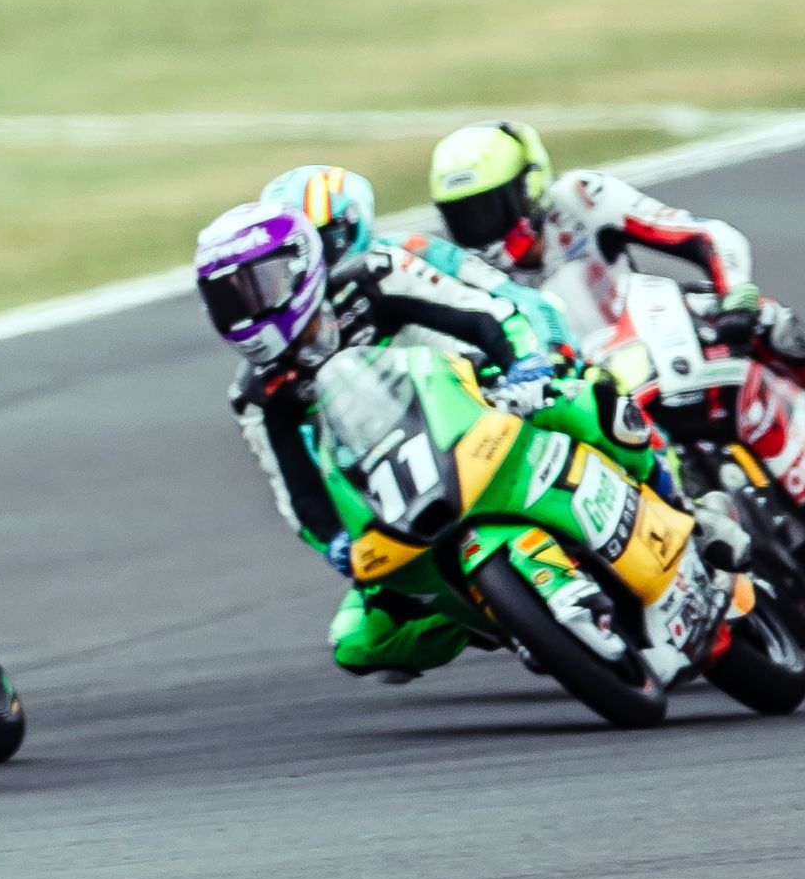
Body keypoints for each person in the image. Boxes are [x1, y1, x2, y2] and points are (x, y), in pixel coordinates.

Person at [188, 204, 623, 677]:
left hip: (483, 405)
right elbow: (296, 492)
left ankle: (668, 485)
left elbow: (485, 315)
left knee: (586, 399)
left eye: (261, 286)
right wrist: (335, 542)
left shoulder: (374, 277)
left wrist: (526, 364)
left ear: (302, 266)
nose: (250, 308)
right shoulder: (256, 395)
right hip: (398, 492)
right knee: (357, 643)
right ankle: (497, 614)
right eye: (230, 299)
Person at [424, 119, 805, 444]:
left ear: (528, 187)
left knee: (771, 319)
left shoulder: (581, 197)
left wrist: (735, 296)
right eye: (463, 218)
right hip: (576, 390)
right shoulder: (466, 275)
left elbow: (706, 235)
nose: (479, 229)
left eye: (488, 208)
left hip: (653, 334)